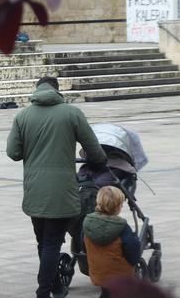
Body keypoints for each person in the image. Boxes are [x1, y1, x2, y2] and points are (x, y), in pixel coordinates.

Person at [6, 76, 107, 298]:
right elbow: (93, 146)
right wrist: (100, 161)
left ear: (37, 90)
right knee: (52, 242)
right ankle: (44, 291)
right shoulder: (72, 113)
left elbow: (13, 153)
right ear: (57, 90)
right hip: (62, 191)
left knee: (43, 241)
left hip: (34, 190)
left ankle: (54, 286)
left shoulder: (22, 116)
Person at [83, 186, 141, 298]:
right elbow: (132, 250)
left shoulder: (88, 223)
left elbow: (83, 244)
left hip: (98, 272)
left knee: (107, 292)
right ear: (118, 207)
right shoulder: (122, 227)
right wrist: (134, 261)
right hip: (120, 275)